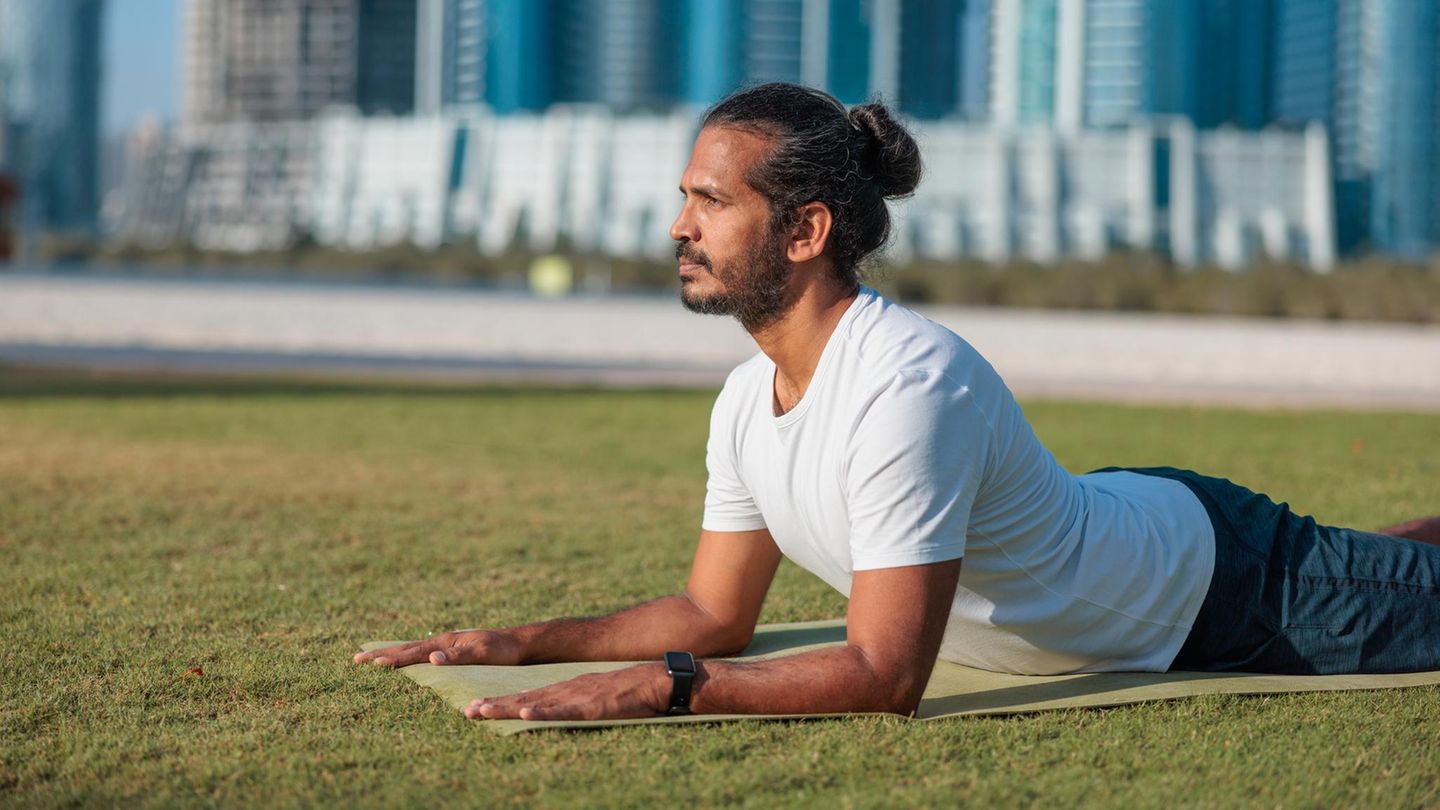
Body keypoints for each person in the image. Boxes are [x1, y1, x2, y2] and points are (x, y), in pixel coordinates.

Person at [355, 83, 1440, 722]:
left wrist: (663, 689)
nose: (678, 226)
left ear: (806, 231)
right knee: (1392, 564)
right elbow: (712, 615)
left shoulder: (909, 386)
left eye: (709, 201)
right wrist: (526, 641)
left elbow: (885, 675)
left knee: (1400, 590)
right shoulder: (748, 397)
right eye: (684, 197)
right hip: (1129, 529)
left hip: (1223, 590)